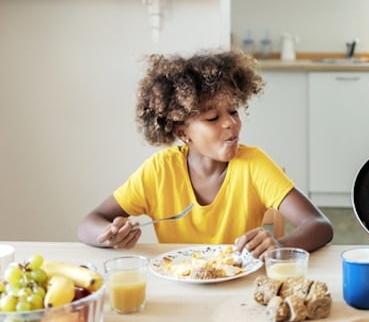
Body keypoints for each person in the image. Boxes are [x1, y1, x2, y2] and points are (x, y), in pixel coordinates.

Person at [77, 49, 333, 257]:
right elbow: (90, 222)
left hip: (239, 288)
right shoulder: (160, 171)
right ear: (182, 132)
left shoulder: (253, 164)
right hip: (178, 288)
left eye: (233, 111)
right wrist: (110, 234)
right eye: (212, 118)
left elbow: (319, 225)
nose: (230, 123)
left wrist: (279, 245)